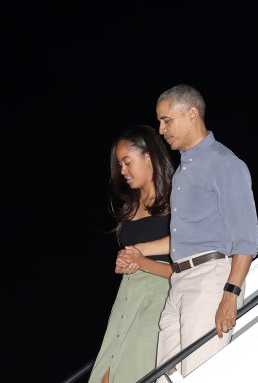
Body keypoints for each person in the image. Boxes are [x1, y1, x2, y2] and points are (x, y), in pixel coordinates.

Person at [124, 84, 258, 382]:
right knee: (164, 376)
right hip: (179, 282)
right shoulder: (182, 173)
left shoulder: (224, 163)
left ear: (192, 114)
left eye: (166, 120)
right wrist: (141, 251)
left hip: (209, 280)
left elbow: (247, 239)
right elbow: (186, 236)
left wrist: (230, 296)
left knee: (203, 373)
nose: (161, 130)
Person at [88, 125, 175, 383]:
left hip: (158, 298)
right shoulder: (131, 206)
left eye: (127, 162)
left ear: (148, 157)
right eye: (120, 165)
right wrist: (125, 262)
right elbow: (131, 256)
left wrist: (141, 261)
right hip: (126, 297)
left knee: (131, 373)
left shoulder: (176, 199)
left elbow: (187, 263)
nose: (123, 171)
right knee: (104, 375)